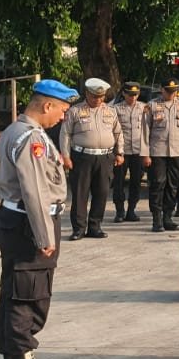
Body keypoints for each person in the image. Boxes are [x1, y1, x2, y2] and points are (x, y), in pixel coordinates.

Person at [0, 78, 80, 359]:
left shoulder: (16, 130)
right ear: (47, 105)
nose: (63, 117)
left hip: (14, 218)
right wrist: (44, 236)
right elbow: (35, 191)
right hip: (29, 222)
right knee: (30, 294)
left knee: (14, 291)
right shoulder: (31, 138)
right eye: (62, 110)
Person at [62, 78, 122, 239]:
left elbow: (118, 133)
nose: (98, 100)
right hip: (82, 157)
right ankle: (79, 229)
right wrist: (66, 156)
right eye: (95, 96)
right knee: (80, 194)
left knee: (102, 192)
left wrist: (120, 152)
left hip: (105, 157)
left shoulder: (110, 111)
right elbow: (65, 134)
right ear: (87, 94)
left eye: (101, 97)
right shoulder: (75, 111)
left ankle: (95, 227)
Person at [143, 79, 179, 232]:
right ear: (161, 89)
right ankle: (156, 219)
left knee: (173, 185)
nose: (172, 94)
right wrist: (145, 154)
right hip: (157, 152)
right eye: (169, 91)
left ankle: (167, 217)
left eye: (174, 91)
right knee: (157, 183)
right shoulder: (151, 106)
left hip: (177, 152)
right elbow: (144, 131)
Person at [110, 81, 147, 223]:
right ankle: (120, 211)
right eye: (130, 94)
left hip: (138, 151)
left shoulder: (144, 108)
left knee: (136, 182)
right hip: (121, 151)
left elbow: (148, 130)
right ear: (124, 93)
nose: (133, 97)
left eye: (135, 95)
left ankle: (131, 210)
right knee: (118, 182)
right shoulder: (116, 109)